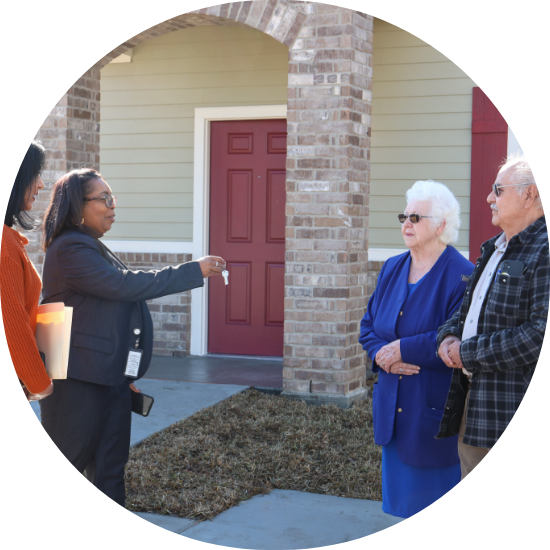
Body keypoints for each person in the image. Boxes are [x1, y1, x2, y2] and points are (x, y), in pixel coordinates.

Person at [38, 168, 225, 507]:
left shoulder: (91, 245)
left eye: (114, 199)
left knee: (110, 474)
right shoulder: (69, 249)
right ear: (78, 206)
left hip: (108, 380)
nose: (112, 206)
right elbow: (123, 287)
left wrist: (122, 372)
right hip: (77, 383)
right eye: (104, 199)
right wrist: (192, 270)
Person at [359, 180, 474, 518]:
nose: (406, 223)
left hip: (432, 415)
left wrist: (401, 349)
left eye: (416, 217)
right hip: (392, 410)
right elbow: (368, 326)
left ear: (441, 225)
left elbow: (456, 337)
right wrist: (382, 355)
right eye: (403, 216)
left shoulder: (462, 275)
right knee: (397, 510)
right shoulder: (393, 266)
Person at [437, 152, 547, 479]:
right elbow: (469, 309)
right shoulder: (495, 248)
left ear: (529, 195)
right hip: (477, 403)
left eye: (498, 190)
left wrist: (466, 352)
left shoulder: (544, 250)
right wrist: (449, 336)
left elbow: (538, 335)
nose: (489, 198)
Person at [1, 141, 53, 401]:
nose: (41, 184)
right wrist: (39, 383)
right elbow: (11, 323)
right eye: (35, 175)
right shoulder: (3, 246)